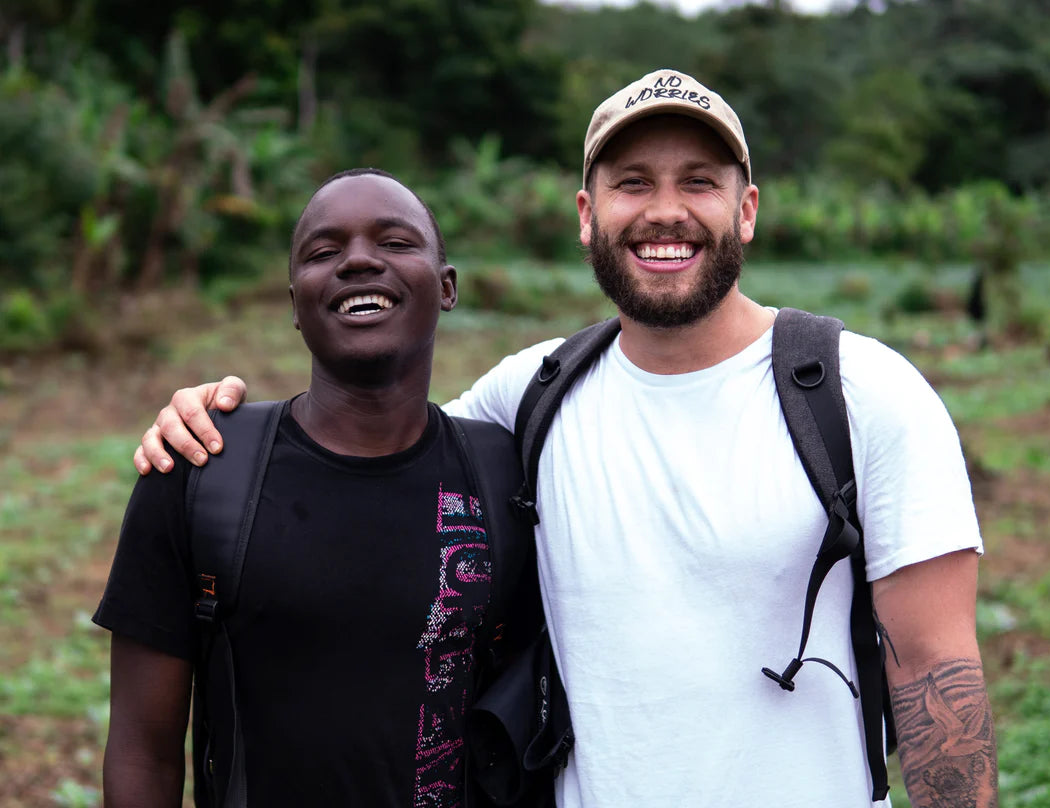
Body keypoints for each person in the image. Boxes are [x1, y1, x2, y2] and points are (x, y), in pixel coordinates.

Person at [134, 70, 997, 807]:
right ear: (588, 213)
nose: (665, 213)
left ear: (747, 210)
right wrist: (218, 421)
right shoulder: (535, 393)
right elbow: (372, 437)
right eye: (631, 183)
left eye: (698, 181)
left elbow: (935, 675)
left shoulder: (862, 393)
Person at [95, 168, 543, 806]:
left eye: (395, 242)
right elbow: (142, 751)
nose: (359, 261)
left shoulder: (502, 474)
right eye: (324, 252)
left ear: (445, 288)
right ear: (295, 305)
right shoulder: (203, 467)